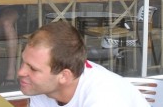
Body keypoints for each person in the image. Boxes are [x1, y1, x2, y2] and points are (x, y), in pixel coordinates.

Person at [18, 21, 149, 107]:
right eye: (24, 62)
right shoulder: (42, 89)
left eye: (33, 69)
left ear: (64, 76)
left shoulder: (104, 98)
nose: (21, 72)